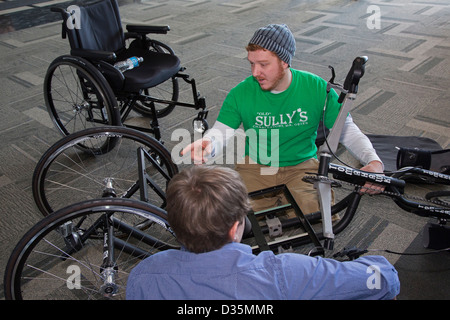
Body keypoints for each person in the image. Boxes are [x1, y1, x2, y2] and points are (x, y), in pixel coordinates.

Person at [181, 24, 384, 215]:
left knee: (318, 217)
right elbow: (221, 131)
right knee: (235, 220)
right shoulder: (241, 93)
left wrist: (373, 161)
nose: (255, 72)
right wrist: (209, 143)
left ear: (284, 61)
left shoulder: (316, 88)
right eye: (251, 63)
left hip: (302, 165)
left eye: (263, 64)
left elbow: (346, 129)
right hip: (256, 166)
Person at [126, 165, 400, 300]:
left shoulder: (144, 274)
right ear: (236, 227)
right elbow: (385, 279)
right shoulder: (285, 273)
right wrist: (372, 263)